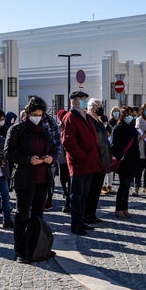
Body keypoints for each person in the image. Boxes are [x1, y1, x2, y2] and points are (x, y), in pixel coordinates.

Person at [5, 96, 56, 263]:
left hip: (42, 178)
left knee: (38, 215)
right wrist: (28, 160)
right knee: (22, 215)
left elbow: (54, 149)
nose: (38, 118)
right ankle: (20, 250)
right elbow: (9, 153)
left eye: (40, 115)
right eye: (35, 114)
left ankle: (35, 247)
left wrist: (51, 158)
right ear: (27, 113)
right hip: (25, 178)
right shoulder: (17, 130)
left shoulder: (44, 130)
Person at [60, 91, 103, 236]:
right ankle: (76, 224)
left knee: (84, 195)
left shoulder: (86, 116)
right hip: (79, 163)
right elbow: (68, 142)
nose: (85, 101)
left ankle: (82, 220)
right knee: (76, 196)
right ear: (74, 101)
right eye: (83, 99)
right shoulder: (70, 117)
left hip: (89, 163)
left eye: (86, 99)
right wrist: (82, 156)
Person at [83, 99, 111, 224]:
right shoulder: (88, 120)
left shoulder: (99, 120)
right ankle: (87, 214)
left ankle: (92, 213)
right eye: (97, 106)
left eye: (100, 106)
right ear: (91, 107)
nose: (100, 108)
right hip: (94, 160)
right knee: (90, 190)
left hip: (102, 159)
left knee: (96, 190)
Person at [111, 106, 141, 218]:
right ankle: (118, 208)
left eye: (131, 115)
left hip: (132, 160)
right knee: (123, 184)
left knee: (128, 185)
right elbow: (113, 146)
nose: (130, 117)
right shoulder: (118, 128)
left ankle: (125, 208)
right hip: (123, 161)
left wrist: (137, 158)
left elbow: (135, 144)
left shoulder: (132, 128)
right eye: (127, 115)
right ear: (122, 116)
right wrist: (120, 156)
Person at [55, 109, 72, 212]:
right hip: (61, 156)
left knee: (70, 178)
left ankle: (68, 199)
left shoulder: (70, 125)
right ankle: (65, 191)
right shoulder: (57, 127)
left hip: (70, 156)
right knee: (62, 176)